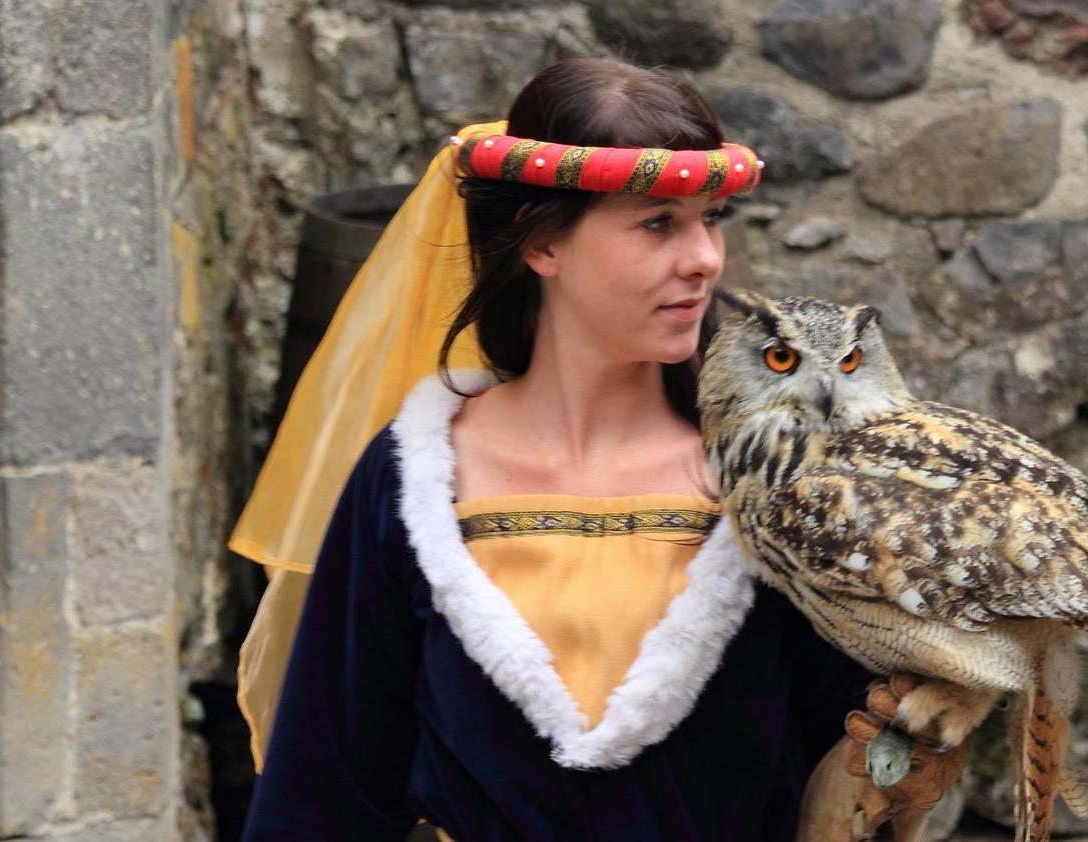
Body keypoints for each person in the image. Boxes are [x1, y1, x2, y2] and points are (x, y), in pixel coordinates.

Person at [234, 57, 964, 841]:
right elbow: (325, 793)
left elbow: (854, 759)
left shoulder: (782, 480)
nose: (705, 259)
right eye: (658, 224)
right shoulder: (414, 481)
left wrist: (910, 743)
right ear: (543, 245)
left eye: (711, 218)